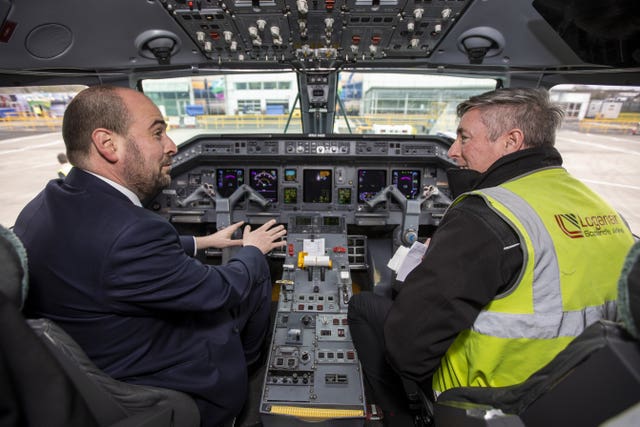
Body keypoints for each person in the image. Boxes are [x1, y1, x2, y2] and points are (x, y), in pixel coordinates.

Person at [347, 87, 635, 425]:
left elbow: (408, 351)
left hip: (490, 399)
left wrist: (421, 277)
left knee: (365, 306)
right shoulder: (599, 206)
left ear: (511, 141)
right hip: (585, 390)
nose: (453, 151)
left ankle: (404, 418)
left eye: (464, 138)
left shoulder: (484, 215)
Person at [13, 85, 287, 427]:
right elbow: (221, 290)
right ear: (107, 144)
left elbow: (112, 256)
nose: (172, 146)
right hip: (162, 387)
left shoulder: (45, 204)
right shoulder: (131, 233)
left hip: (98, 363)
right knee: (253, 273)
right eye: (158, 132)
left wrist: (202, 243)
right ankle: (247, 373)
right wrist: (253, 250)